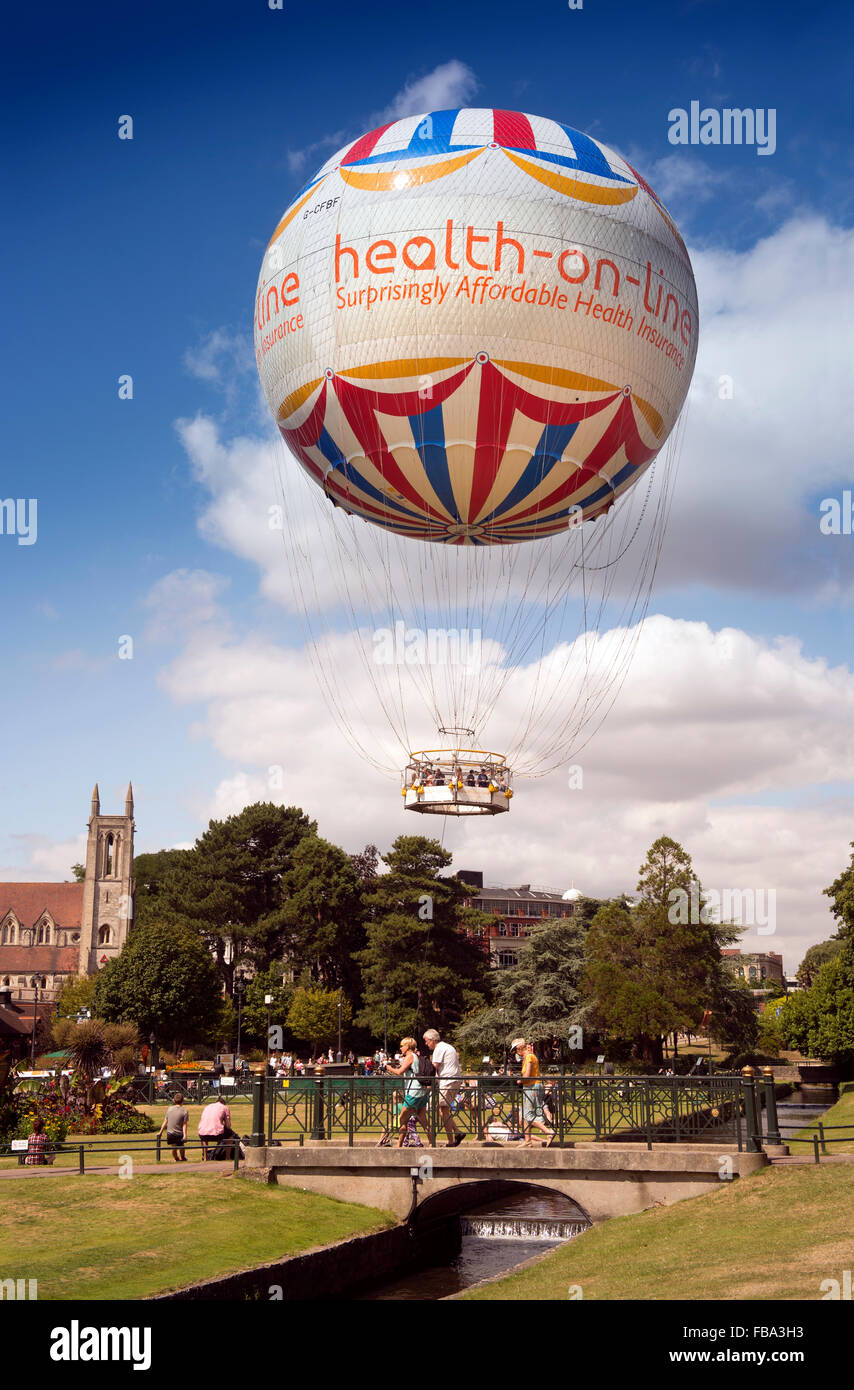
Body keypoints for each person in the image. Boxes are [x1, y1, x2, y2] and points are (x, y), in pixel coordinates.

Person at [384, 1038, 432, 1147]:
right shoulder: (417, 1057)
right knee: (424, 1121)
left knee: (401, 1119)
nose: (400, 1048)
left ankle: (396, 1144)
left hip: (413, 1093)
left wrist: (388, 1068)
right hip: (422, 1092)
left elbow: (399, 1072)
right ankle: (431, 1143)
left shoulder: (410, 1056)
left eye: (402, 1046)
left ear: (407, 1046)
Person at [423, 1028, 464, 1146]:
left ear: (432, 1040)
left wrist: (427, 1082)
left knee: (442, 1109)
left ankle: (456, 1134)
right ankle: (454, 1136)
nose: (426, 1044)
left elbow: (433, 1068)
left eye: (426, 1041)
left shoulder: (439, 1049)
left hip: (448, 1081)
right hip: (453, 1080)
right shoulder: (447, 1046)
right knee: (443, 1109)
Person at [511, 1038, 554, 1147]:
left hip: (532, 1087)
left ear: (519, 1048)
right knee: (526, 1116)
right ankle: (527, 1140)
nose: (516, 1052)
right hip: (530, 1087)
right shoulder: (527, 1057)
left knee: (528, 1116)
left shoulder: (529, 1057)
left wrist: (520, 1080)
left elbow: (528, 1075)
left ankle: (548, 1132)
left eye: (516, 1050)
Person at [198, 1096, 243, 1162]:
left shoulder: (207, 1107)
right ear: (223, 1103)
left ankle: (205, 1158)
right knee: (230, 1136)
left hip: (202, 1133)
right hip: (217, 1134)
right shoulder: (224, 1108)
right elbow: (228, 1125)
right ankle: (227, 1157)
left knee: (204, 1137)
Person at [158, 1092, 189, 1162]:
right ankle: (183, 1157)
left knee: (173, 1147)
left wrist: (160, 1132)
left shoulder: (169, 1109)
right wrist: (185, 1135)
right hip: (179, 1133)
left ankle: (176, 1158)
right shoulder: (185, 1111)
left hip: (170, 1133)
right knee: (181, 1146)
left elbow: (165, 1121)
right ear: (183, 1101)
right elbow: (184, 1124)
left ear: (174, 1101)